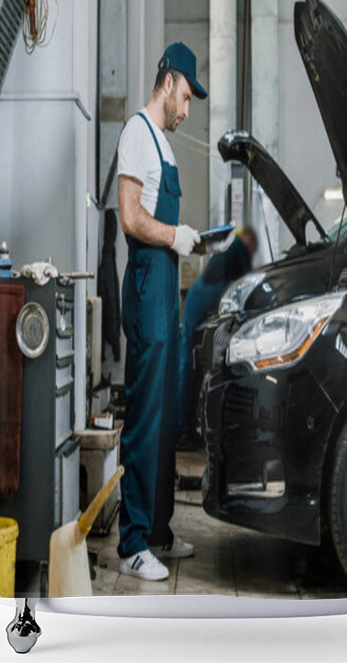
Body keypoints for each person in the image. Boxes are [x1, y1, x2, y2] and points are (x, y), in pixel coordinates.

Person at [115, 42, 207, 581]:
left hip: (166, 287)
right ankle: (131, 543)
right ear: (169, 81)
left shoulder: (164, 146)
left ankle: (157, 533)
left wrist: (189, 242)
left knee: (168, 413)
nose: (188, 109)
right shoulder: (136, 135)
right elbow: (130, 217)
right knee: (146, 417)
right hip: (149, 285)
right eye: (187, 97)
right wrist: (175, 235)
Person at [177, 228, 259, 446]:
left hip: (199, 304)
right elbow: (243, 286)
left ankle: (187, 430)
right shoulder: (237, 253)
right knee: (188, 370)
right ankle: (182, 431)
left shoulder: (232, 253)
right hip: (199, 305)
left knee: (192, 371)